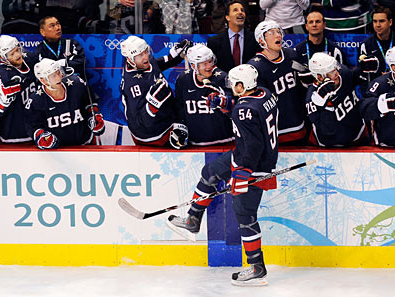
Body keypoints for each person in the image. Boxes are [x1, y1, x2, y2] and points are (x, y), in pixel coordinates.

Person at [167, 64, 278, 286]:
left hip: (253, 164)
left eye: (234, 85)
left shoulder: (244, 110)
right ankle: (193, 218)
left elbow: (254, 144)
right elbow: (250, 112)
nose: (230, 88)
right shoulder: (266, 94)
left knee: (244, 214)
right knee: (210, 172)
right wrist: (227, 104)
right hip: (245, 154)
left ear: (242, 85)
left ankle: (257, 267)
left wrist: (242, 174)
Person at [119, 35, 191, 148]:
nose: (145, 57)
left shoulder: (142, 63)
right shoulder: (133, 85)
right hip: (151, 135)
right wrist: (153, 103)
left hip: (163, 119)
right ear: (130, 60)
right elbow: (142, 122)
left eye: (145, 52)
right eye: (140, 55)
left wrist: (175, 57)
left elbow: (156, 65)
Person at [248, 20, 307, 145]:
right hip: (275, 133)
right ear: (261, 40)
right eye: (271, 33)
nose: (278, 35)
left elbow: (303, 87)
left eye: (278, 31)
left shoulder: (291, 54)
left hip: (299, 126)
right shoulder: (255, 67)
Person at [24, 58, 105, 149]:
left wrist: (94, 117)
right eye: (53, 76)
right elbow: (33, 126)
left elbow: (90, 103)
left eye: (58, 72)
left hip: (86, 144)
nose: (59, 77)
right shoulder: (36, 100)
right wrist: (41, 137)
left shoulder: (76, 83)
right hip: (58, 153)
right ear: (43, 80)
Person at [174, 44, 234, 146]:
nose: (209, 67)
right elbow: (179, 109)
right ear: (193, 66)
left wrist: (223, 100)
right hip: (195, 145)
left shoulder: (222, 77)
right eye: (204, 64)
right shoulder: (183, 80)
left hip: (225, 143)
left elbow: (233, 105)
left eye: (210, 61)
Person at [304, 53, 368, 147]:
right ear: (320, 77)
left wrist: (364, 70)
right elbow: (327, 131)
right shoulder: (311, 99)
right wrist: (326, 105)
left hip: (358, 138)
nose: (337, 73)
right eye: (332, 72)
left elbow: (356, 77)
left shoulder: (343, 73)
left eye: (335, 69)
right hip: (326, 147)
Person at [0, 34, 39, 144]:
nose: (18, 55)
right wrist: (2, 101)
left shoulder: (28, 58)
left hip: (34, 128)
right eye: (12, 54)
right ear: (2, 58)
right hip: (12, 134)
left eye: (18, 49)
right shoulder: (3, 75)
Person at [359, 5, 395, 92]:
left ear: (390, 22)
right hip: (377, 91)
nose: (378, 25)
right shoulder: (365, 45)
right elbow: (362, 75)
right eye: (375, 21)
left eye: (382, 21)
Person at [294, 10, 349, 86]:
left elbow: (343, 75)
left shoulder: (335, 50)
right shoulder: (297, 51)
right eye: (311, 22)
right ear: (306, 26)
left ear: (324, 25)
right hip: (304, 94)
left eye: (317, 21)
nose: (314, 25)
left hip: (331, 92)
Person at [207, 0, 261, 73]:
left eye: (242, 10)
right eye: (235, 10)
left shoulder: (255, 39)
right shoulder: (214, 42)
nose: (240, 12)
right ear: (227, 17)